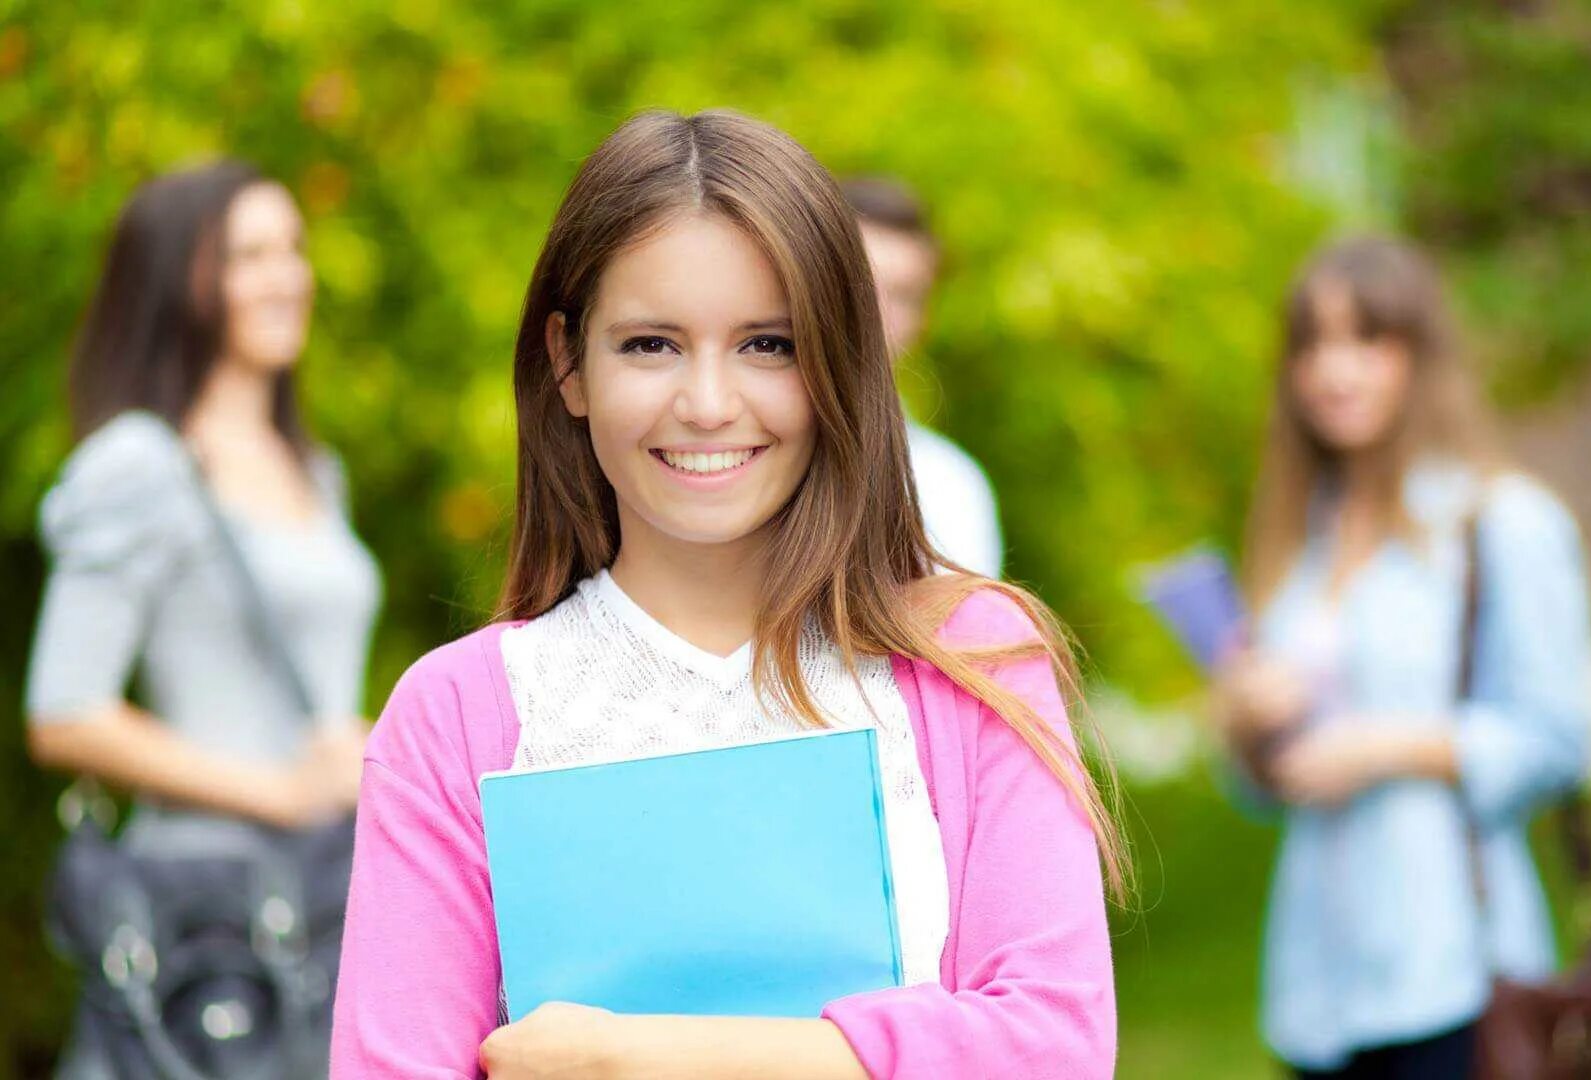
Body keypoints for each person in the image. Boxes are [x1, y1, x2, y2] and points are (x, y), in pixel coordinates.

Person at [329, 109, 1123, 1078]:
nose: (707, 403)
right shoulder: (453, 716)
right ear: (569, 364)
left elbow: (1054, 1050)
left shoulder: (970, 658)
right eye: (652, 345)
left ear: (839, 360)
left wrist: (629, 1057)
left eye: (768, 345)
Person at [25, 161, 380, 1074]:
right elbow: (64, 712)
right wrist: (283, 791)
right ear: (179, 280)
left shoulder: (314, 468)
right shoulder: (140, 464)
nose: (287, 276)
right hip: (206, 916)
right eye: (248, 255)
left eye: (293, 249)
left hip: (328, 903)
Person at [1213, 237, 1591, 1079]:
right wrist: (1248, 732)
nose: (1333, 371)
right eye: (1312, 344)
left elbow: (1558, 741)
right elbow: (1265, 789)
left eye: (1367, 341)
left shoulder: (1499, 523)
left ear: (1420, 356)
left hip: (1449, 967)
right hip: (1317, 975)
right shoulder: (1299, 539)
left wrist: (1385, 747)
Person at [842, 177, 1005, 577]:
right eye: (862, 285)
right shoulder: (727, 438)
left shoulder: (948, 484)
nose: (878, 314)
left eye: (903, 295)